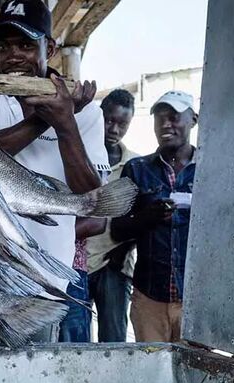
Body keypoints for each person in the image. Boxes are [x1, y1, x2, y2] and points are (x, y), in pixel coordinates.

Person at [0, 0, 110, 343]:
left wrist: (67, 123)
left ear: (51, 47)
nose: (13, 55)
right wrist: (42, 118)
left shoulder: (87, 112)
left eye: (26, 45)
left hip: (42, 284)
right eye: (4, 46)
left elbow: (92, 199)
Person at [110, 90, 198, 343]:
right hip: (149, 298)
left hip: (195, 301)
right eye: (159, 119)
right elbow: (117, 229)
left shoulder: (211, 169)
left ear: (193, 119)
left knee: (196, 377)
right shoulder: (137, 169)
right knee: (150, 375)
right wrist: (147, 217)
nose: (166, 125)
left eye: (173, 117)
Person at [87, 89, 139, 342]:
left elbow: (142, 217)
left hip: (114, 265)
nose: (114, 129)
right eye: (109, 120)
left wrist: (125, 249)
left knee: (115, 340)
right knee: (73, 340)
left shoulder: (136, 166)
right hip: (79, 263)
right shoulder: (80, 157)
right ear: (99, 116)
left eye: (123, 124)